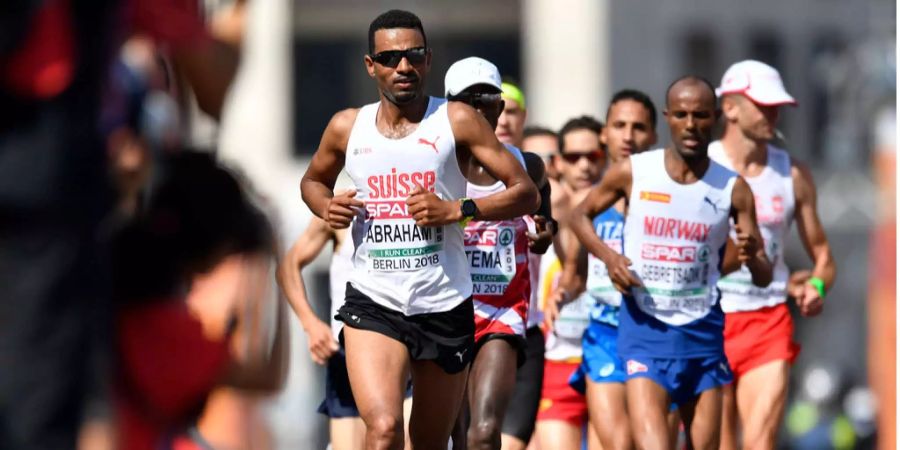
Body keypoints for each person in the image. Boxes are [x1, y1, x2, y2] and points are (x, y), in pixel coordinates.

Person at [299, 10, 540, 450]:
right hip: (375, 299)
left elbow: (526, 192)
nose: (403, 67)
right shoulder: (347, 126)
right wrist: (326, 206)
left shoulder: (458, 120)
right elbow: (312, 181)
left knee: (428, 440)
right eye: (390, 58)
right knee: (385, 428)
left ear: (428, 60)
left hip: (444, 301)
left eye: (412, 55)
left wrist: (458, 209)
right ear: (371, 65)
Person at [568, 76, 773, 450]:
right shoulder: (636, 171)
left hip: (701, 336)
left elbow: (762, 275)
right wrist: (610, 257)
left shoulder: (733, 188)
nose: (691, 124)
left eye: (700, 115)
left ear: (715, 119)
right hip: (646, 332)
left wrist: (753, 254)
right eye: (681, 115)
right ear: (668, 118)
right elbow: (579, 216)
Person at [710, 60, 836, 450]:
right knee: (718, 442)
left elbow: (825, 259)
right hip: (710, 319)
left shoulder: (792, 173)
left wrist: (816, 285)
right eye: (763, 105)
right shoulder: (701, 167)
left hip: (769, 319)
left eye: (777, 106)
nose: (773, 114)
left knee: (761, 442)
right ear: (730, 107)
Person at [443, 57, 552, 450]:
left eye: (487, 99)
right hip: (442, 312)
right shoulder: (435, 165)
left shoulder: (528, 165)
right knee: (447, 437)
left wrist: (546, 230)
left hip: (500, 316)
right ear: (449, 107)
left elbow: (543, 200)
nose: (478, 109)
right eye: (467, 100)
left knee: (485, 434)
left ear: (500, 107)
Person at [559, 89, 658, 450]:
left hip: (659, 332)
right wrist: (564, 292)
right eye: (619, 126)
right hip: (604, 332)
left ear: (655, 136)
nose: (628, 136)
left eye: (639, 127)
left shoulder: (671, 192)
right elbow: (576, 274)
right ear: (605, 133)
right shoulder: (588, 203)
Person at [277, 213, 415, 450]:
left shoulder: (414, 205)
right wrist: (310, 323)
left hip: (402, 351)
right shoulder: (341, 208)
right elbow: (288, 266)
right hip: (347, 353)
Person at [535, 116, 606, 450]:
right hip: (555, 365)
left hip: (609, 359)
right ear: (558, 163)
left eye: (592, 157)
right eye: (574, 157)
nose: (583, 166)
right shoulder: (540, 219)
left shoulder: (624, 212)